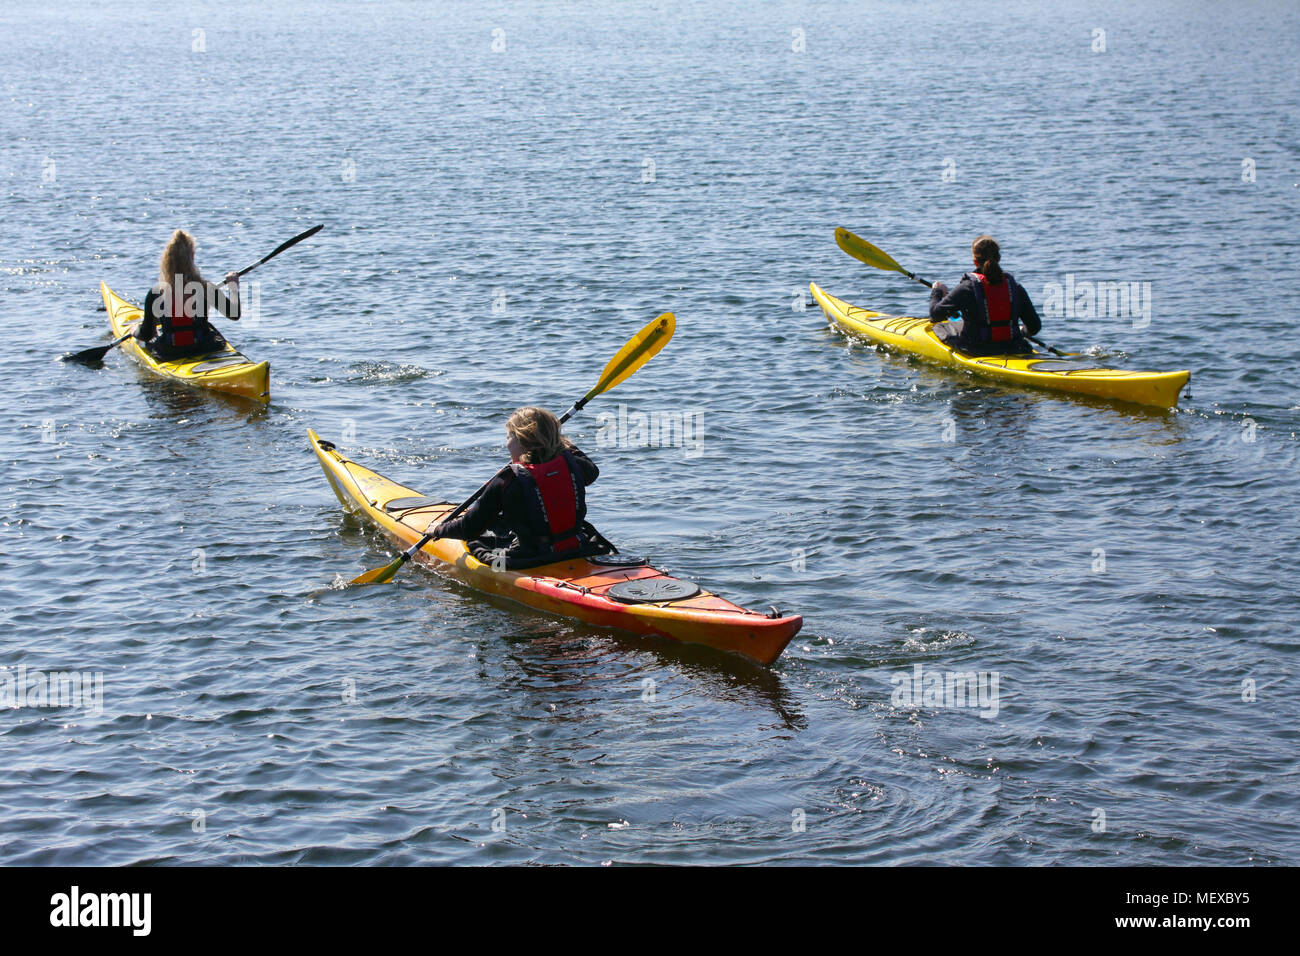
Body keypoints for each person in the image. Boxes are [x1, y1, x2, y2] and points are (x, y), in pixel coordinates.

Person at [427, 406, 612, 569]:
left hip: (529, 558)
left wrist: (438, 530)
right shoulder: (577, 466)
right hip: (577, 547)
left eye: (509, 437)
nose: (507, 444)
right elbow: (590, 468)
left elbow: (469, 529)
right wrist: (555, 437)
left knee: (475, 541)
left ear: (522, 440)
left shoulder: (507, 480)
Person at [135, 229, 241, 360]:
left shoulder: (156, 292)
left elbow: (146, 335)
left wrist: (134, 330)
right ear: (192, 257)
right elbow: (234, 315)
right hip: (203, 348)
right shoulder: (205, 288)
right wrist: (233, 286)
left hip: (170, 352)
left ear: (166, 261)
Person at [928, 235, 1041, 355]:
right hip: (1014, 347)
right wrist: (1022, 331)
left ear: (975, 262)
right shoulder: (1015, 288)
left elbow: (935, 315)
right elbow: (1035, 326)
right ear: (999, 258)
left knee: (939, 327)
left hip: (977, 349)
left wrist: (937, 291)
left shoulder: (967, 288)